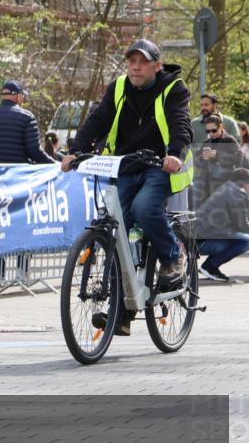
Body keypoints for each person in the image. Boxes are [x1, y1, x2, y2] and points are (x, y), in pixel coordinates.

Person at [61, 39, 193, 336]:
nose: (135, 66)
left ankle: (173, 257)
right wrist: (76, 151)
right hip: (124, 165)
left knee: (143, 208)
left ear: (157, 66)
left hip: (159, 166)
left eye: (142, 62)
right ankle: (122, 313)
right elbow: (98, 120)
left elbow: (180, 124)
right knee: (115, 228)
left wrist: (175, 154)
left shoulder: (174, 88)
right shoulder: (119, 87)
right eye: (131, 61)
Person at [0, 81, 55, 164]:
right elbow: (34, 150)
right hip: (16, 174)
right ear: (19, 96)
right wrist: (54, 165)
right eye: (23, 96)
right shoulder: (27, 117)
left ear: (1, 97)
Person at [196, 167, 249, 282]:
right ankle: (210, 266)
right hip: (204, 242)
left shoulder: (226, 189)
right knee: (247, 240)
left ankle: (210, 266)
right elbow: (242, 225)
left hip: (200, 238)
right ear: (245, 182)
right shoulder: (236, 194)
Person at [193, 113, 247, 206]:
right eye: (208, 131)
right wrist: (202, 157)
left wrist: (217, 155)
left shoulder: (230, 140)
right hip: (206, 186)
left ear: (221, 126)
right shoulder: (207, 142)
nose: (211, 134)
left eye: (213, 130)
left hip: (224, 184)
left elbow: (239, 159)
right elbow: (197, 162)